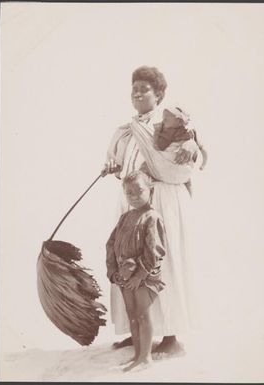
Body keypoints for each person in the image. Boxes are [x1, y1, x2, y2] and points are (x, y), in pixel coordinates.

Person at [103, 65, 199, 358]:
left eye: (144, 89)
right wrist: (113, 169)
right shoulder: (127, 129)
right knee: (128, 260)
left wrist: (193, 144)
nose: (137, 93)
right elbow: (124, 163)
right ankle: (138, 333)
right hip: (133, 201)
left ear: (159, 94)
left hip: (163, 200)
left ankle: (170, 337)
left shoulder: (168, 123)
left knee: (161, 263)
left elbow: (193, 145)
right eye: (134, 89)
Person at [106, 171, 166, 371]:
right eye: (128, 192)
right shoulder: (125, 218)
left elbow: (155, 251)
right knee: (131, 314)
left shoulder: (152, 217)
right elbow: (111, 244)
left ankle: (146, 356)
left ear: (150, 190)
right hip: (124, 276)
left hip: (144, 278)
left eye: (138, 191)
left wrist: (140, 274)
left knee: (142, 314)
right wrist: (113, 271)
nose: (133, 196)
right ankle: (137, 354)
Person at [152, 105, 208, 195]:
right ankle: (190, 196)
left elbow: (159, 146)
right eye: (163, 117)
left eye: (166, 118)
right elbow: (202, 149)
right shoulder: (190, 131)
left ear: (178, 121)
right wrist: (203, 164)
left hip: (174, 163)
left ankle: (190, 196)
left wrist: (157, 132)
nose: (163, 120)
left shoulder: (169, 131)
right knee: (188, 181)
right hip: (182, 165)